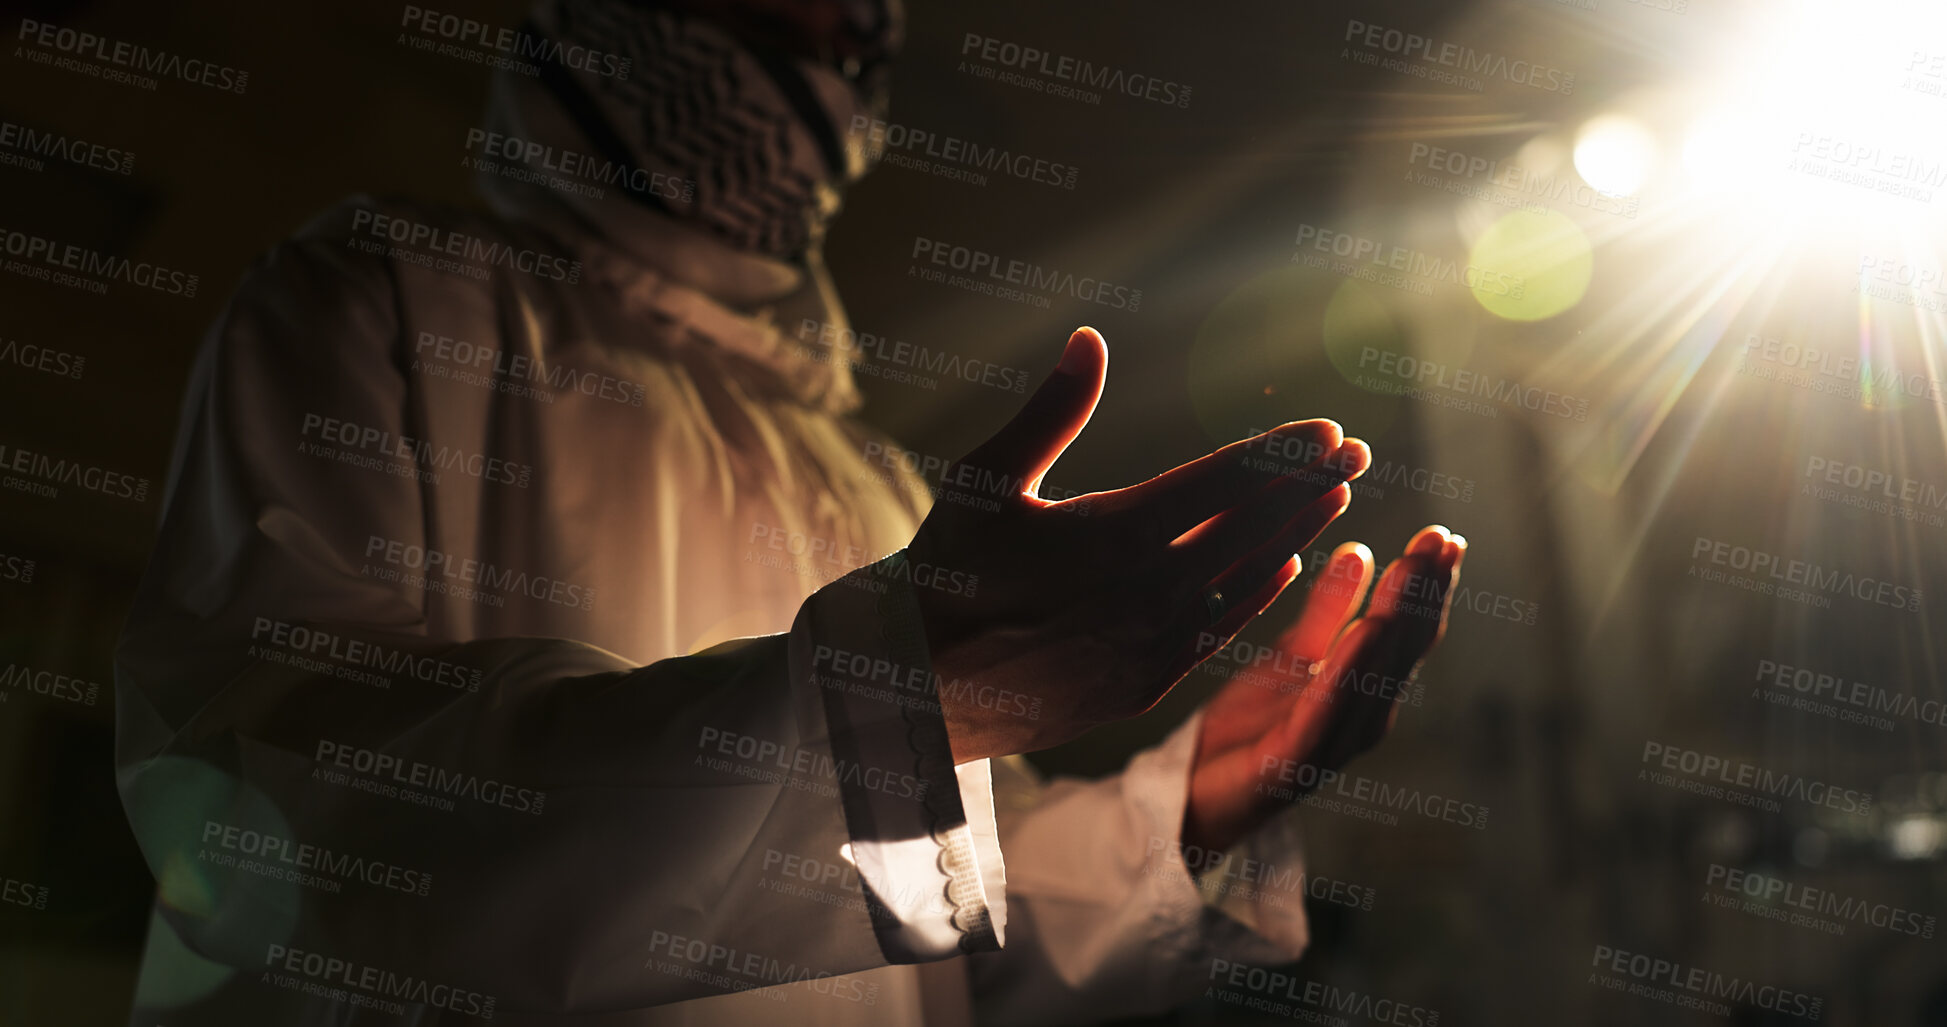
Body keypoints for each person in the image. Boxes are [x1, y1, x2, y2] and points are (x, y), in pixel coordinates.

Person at [111, 0, 1465, 1023]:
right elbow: (277, 820)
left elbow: (930, 934)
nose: (833, 60)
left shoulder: (866, 485)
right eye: (791, 14)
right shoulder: (389, 306)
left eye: (859, 37)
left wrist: (1185, 823)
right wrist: (895, 698)